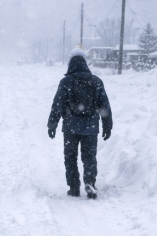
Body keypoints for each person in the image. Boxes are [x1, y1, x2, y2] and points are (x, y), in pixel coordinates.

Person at [47, 47, 113, 199]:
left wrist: (52, 125)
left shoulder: (66, 82)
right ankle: (89, 182)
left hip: (71, 126)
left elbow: (57, 105)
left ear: (71, 65)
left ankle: (74, 187)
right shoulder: (96, 81)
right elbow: (104, 106)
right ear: (85, 65)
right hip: (91, 127)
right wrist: (107, 125)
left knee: (70, 157)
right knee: (89, 157)